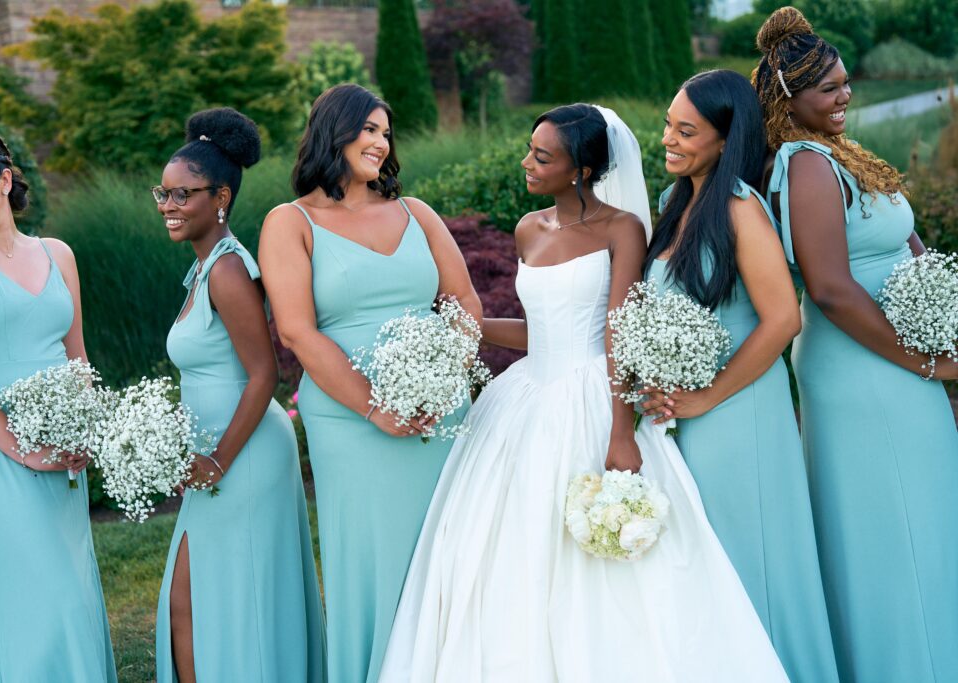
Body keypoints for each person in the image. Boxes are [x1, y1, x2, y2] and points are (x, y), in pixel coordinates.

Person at [378, 104, 788, 682]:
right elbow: (539, 331)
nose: (527, 163)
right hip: (521, 399)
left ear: (582, 169)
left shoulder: (623, 229)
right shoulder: (528, 228)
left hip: (596, 396)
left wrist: (621, 434)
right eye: (530, 149)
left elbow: (617, 331)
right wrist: (459, 327)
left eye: (542, 157)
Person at [755, 8, 958, 682]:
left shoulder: (843, 155)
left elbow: (908, 241)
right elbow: (833, 290)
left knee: (924, 521)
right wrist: (927, 361)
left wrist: (942, 312)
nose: (845, 97)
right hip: (863, 370)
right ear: (790, 99)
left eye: (847, 84)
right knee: (889, 528)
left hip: (902, 360)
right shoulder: (805, 165)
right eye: (829, 89)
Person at [259, 84, 481, 682]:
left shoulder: (418, 214)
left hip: (441, 413)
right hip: (351, 421)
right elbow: (299, 333)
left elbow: (462, 302)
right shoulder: (291, 222)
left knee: (449, 554)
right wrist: (375, 407)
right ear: (335, 130)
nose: (382, 143)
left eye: (387, 132)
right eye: (370, 130)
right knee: (373, 560)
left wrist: (440, 379)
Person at [640, 69, 838, 683]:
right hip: (688, 422)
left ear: (726, 140)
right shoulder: (681, 207)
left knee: (750, 563)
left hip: (740, 417)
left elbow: (783, 320)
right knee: (709, 573)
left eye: (686, 130)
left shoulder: (739, 208)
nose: (667, 139)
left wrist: (705, 396)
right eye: (669, 124)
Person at [0, 130, 115, 681]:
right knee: (32, 589)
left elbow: (76, 355)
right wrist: (24, 449)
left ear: (4, 180)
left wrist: (87, 431)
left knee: (71, 583)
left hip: (61, 446)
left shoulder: (58, 254)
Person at [152, 108, 325, 683]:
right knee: (192, 600)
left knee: (219, 599)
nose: (169, 206)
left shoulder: (228, 271)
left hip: (241, 455)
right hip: (216, 455)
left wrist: (218, 459)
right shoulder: (201, 270)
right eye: (165, 193)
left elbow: (264, 373)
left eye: (184, 195)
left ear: (220, 196)